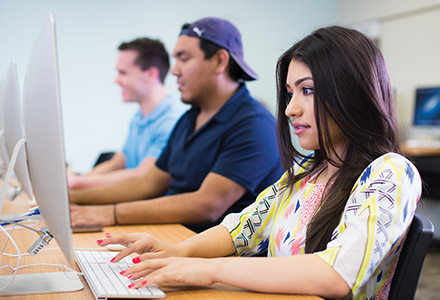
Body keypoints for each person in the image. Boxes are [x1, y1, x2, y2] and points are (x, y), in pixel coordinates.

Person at [97, 26, 422, 299]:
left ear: (352, 92)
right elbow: (240, 230)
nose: (290, 109)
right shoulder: (305, 172)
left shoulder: (390, 172)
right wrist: (178, 251)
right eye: (290, 93)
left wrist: (209, 270)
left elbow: (336, 273)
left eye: (307, 90)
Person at [69, 17, 282, 233]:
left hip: (221, 257)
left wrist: (111, 213)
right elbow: (147, 184)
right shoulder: (188, 119)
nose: (174, 71)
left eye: (184, 59)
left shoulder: (254, 124)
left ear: (220, 61)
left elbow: (208, 205)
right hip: (174, 238)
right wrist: (72, 197)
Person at [67, 38, 185, 190]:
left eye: (123, 73)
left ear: (151, 74)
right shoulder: (139, 117)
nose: (116, 80)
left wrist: (77, 182)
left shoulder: (172, 121)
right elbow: (118, 162)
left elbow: (142, 175)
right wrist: (77, 180)